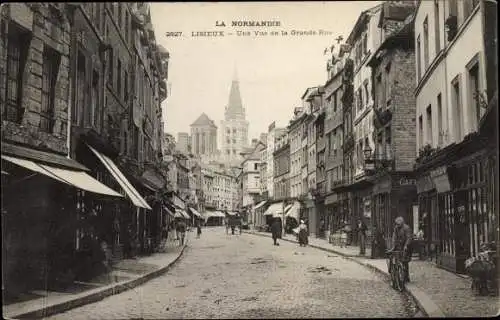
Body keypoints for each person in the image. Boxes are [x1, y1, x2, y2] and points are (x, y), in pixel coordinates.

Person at [389, 216, 413, 283]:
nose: (397, 225)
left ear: (402, 223)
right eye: (396, 224)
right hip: (398, 246)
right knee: (395, 259)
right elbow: (394, 237)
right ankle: (395, 274)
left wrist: (406, 245)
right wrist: (393, 246)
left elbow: (409, 238)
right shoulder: (396, 228)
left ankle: (406, 277)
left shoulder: (406, 228)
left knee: (405, 262)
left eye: (399, 224)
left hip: (406, 247)